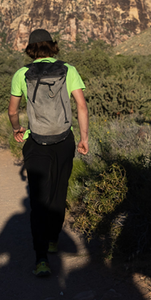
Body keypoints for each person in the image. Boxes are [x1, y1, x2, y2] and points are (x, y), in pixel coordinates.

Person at [8, 29, 90, 278]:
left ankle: (41, 259)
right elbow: (82, 106)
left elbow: (13, 110)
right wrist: (84, 138)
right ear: (52, 47)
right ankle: (54, 239)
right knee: (58, 192)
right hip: (64, 141)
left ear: (31, 50)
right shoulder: (69, 70)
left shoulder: (22, 74)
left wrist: (17, 128)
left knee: (38, 201)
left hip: (36, 142)